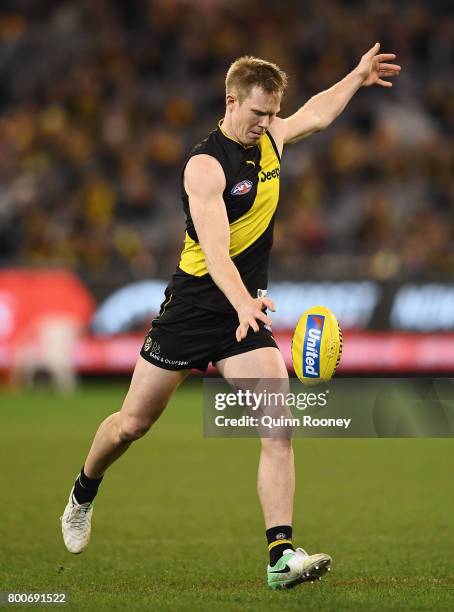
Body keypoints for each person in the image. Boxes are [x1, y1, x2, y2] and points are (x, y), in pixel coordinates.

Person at [61, 43, 400, 589]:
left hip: (243, 320)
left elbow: (316, 111)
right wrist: (243, 301)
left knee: (278, 428)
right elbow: (215, 250)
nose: (266, 124)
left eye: (272, 114)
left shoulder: (273, 140)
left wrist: (357, 77)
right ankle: (82, 491)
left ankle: (280, 556)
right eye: (257, 113)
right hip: (194, 308)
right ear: (231, 101)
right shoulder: (204, 164)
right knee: (131, 426)